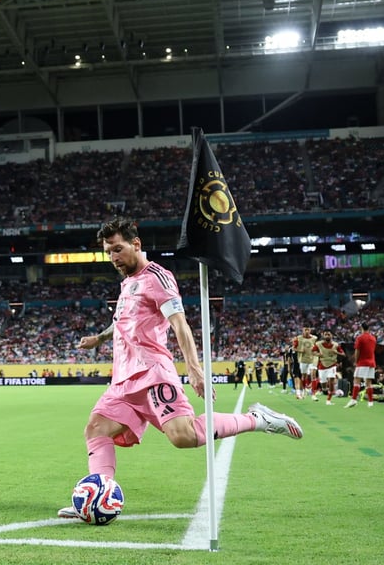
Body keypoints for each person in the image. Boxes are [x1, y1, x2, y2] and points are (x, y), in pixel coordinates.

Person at [58, 217, 303, 521]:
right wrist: (100, 338)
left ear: (136, 244)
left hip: (152, 374)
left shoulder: (158, 277)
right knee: (96, 428)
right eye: (109, 252)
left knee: (183, 436)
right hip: (123, 380)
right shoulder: (128, 282)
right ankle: (96, 496)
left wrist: (195, 369)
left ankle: (258, 419)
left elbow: (179, 323)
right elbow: (123, 319)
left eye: (118, 250)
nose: (114, 258)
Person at [346, 323, 377, 408]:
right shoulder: (373, 338)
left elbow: (357, 351)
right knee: (368, 382)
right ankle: (370, 402)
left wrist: (356, 361)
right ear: (369, 328)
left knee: (356, 380)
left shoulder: (360, 338)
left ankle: (353, 400)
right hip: (371, 362)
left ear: (361, 328)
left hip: (363, 362)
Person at [314, 330, 345, 405]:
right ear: (323, 335)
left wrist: (336, 352)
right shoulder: (318, 344)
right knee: (323, 384)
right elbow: (312, 352)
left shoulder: (336, 345)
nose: (327, 336)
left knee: (331, 381)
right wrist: (318, 354)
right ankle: (324, 390)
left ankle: (329, 400)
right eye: (326, 334)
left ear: (332, 335)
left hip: (332, 365)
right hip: (322, 365)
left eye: (329, 334)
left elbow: (343, 354)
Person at [292, 327, 318, 400]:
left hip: (313, 359)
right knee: (304, 376)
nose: (307, 331)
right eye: (305, 330)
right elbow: (293, 348)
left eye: (308, 330)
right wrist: (300, 350)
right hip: (303, 359)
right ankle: (303, 390)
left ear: (310, 330)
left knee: (313, 374)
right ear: (302, 331)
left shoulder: (315, 338)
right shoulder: (298, 338)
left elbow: (318, 347)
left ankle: (313, 394)